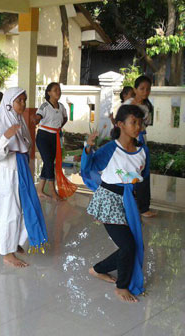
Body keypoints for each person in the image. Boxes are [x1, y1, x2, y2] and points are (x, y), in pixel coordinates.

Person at [82, 104, 148, 303]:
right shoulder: (111, 149)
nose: (137, 126)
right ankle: (121, 287)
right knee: (128, 245)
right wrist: (88, 147)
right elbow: (88, 167)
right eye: (132, 122)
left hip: (128, 201)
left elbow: (142, 176)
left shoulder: (143, 150)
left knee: (132, 245)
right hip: (109, 200)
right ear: (120, 124)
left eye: (140, 122)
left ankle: (97, 269)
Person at [0, 87, 47, 268]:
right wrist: (6, 137)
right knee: (9, 211)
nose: (23, 104)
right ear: (8, 104)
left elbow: (27, 145)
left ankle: (16, 242)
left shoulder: (20, 122)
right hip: (5, 173)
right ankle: (7, 253)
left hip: (20, 169)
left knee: (25, 206)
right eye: (19, 101)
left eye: (24, 100)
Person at [34, 82, 77, 201]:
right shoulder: (44, 106)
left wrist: (57, 127)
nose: (58, 92)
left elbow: (65, 118)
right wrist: (35, 119)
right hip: (43, 137)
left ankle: (40, 190)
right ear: (49, 93)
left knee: (49, 162)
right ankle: (53, 191)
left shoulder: (61, 106)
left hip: (55, 137)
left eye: (59, 90)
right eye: (55, 90)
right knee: (48, 163)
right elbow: (38, 117)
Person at [124, 75, 156, 218]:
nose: (145, 92)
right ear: (135, 89)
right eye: (142, 88)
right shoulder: (128, 104)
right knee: (126, 172)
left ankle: (143, 208)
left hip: (141, 141)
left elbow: (146, 125)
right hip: (127, 141)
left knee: (143, 173)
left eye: (148, 89)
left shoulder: (148, 107)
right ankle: (124, 204)